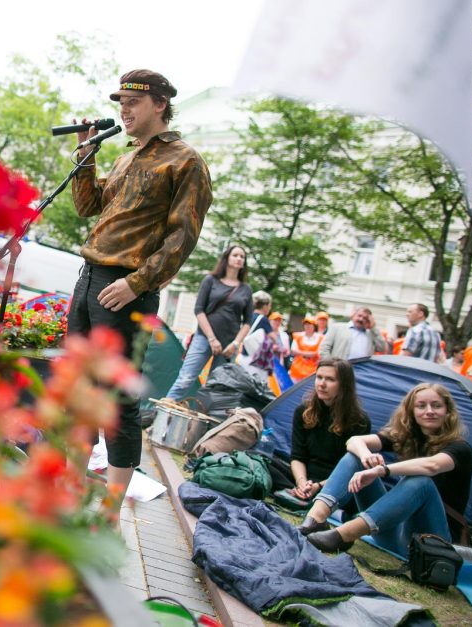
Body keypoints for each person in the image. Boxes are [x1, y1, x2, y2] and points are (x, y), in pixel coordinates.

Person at [68, 68, 213, 506]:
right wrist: (85, 156)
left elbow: (182, 237)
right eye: (120, 104)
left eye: (132, 103)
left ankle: (111, 510)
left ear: (160, 104)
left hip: (125, 289)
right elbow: (88, 206)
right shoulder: (125, 155)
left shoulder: (185, 161)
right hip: (90, 278)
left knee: (117, 400)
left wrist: (137, 283)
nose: (124, 111)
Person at [299, 383, 472, 556]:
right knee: (356, 456)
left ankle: (345, 535)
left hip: (429, 543)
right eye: (421, 406)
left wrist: (380, 470)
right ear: (411, 411)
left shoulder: (460, 449)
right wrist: (366, 456)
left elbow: (432, 466)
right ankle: (316, 519)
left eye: (436, 406)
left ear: (448, 412)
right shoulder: (406, 436)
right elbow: (354, 441)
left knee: (421, 481)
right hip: (393, 532)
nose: (429, 411)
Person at [163, 245, 253, 402]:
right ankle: (160, 419)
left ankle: (201, 424)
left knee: (216, 387)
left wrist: (236, 343)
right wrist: (212, 338)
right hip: (204, 338)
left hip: (228, 346)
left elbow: (247, 322)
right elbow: (199, 310)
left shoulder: (245, 289)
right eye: (236, 255)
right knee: (186, 379)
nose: (239, 259)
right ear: (227, 258)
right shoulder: (210, 280)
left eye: (242, 257)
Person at [288, 359, 371, 504]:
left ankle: (321, 498)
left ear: (344, 385)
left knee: (353, 490)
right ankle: (301, 491)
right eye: (319, 377)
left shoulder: (359, 421)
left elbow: (351, 467)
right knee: (267, 463)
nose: (321, 384)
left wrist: (318, 486)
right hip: (306, 475)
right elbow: (297, 456)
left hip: (337, 480)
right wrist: (302, 482)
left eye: (330, 379)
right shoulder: (303, 411)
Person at [237, 290, 280, 383]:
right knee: (258, 387)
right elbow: (274, 338)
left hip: (242, 356)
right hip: (256, 360)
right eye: (269, 305)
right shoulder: (263, 319)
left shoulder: (247, 316)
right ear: (264, 306)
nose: (269, 308)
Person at [319, 307, 386, 360]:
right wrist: (330, 365)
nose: (361, 319)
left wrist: (373, 328)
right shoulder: (337, 327)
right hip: (339, 370)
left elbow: (382, 348)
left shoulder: (371, 334)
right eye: (359, 315)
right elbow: (324, 349)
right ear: (353, 315)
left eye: (365, 318)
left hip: (361, 373)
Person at [289, 316, 323, 382]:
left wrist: (300, 352)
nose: (307, 326)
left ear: (314, 326)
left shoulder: (320, 338)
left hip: (312, 371)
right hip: (297, 370)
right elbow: (293, 351)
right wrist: (311, 353)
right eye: (306, 324)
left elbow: (319, 353)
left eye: (309, 324)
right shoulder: (298, 336)